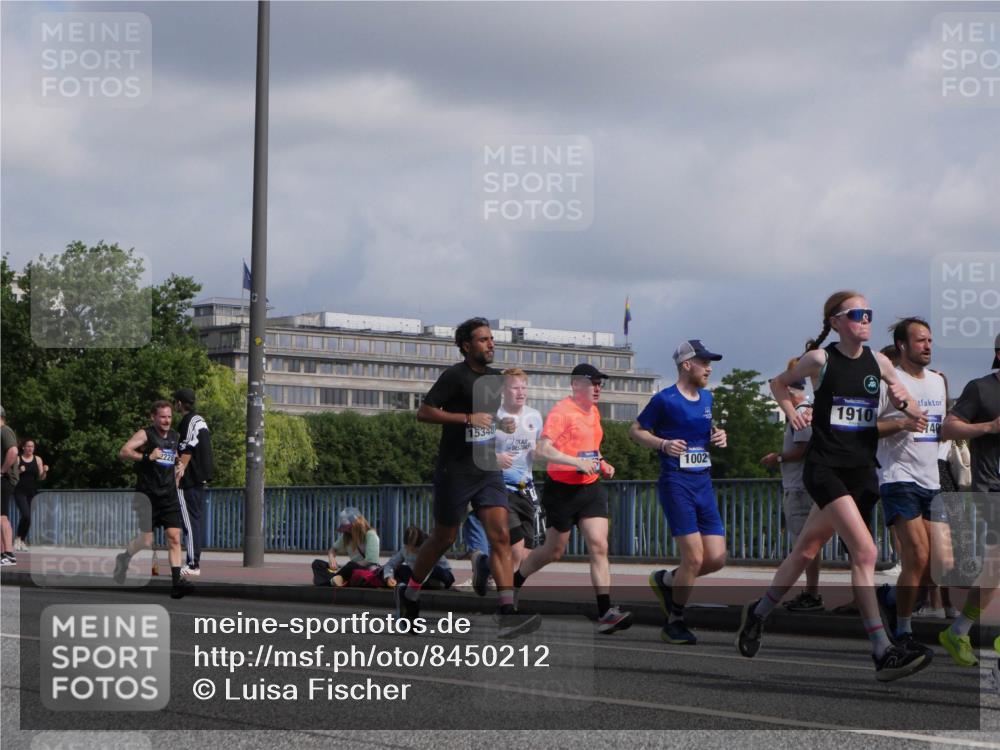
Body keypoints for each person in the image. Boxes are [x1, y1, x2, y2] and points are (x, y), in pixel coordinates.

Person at [735, 290, 930, 681]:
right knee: (865, 551)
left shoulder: (878, 361)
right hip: (825, 469)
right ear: (836, 322)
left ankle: (757, 614)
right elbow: (777, 383)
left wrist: (907, 403)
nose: (865, 320)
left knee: (805, 550)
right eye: (857, 314)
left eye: (869, 313)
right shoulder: (821, 359)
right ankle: (882, 650)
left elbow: (902, 392)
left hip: (860, 469)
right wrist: (792, 412)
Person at [397, 317, 539, 638]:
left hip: (486, 467)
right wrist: (466, 418)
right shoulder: (454, 376)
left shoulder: (493, 379)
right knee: (444, 538)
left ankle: (507, 611)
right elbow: (425, 412)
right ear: (466, 346)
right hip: (455, 470)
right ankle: (409, 593)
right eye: (483, 339)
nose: (491, 344)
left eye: (491, 339)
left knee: (500, 537)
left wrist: (501, 425)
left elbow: (491, 417)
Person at [512, 363, 633, 634]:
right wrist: (575, 462)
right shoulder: (561, 412)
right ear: (576, 385)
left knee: (599, 544)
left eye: (600, 383)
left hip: (590, 489)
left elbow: (592, 448)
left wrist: (603, 462)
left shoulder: (594, 412)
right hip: (562, 491)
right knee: (553, 551)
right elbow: (543, 449)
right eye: (593, 383)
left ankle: (606, 613)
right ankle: (515, 581)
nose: (598, 388)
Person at [630, 340, 728, 644]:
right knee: (695, 558)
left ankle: (667, 580)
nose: (709, 368)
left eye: (711, 363)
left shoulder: (708, 398)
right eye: (704, 362)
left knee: (717, 558)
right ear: (687, 365)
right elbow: (635, 430)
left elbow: (702, 431)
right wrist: (662, 444)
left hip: (703, 483)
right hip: (677, 484)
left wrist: (718, 435)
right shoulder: (665, 400)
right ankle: (674, 622)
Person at [872, 318, 948, 660]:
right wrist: (902, 422)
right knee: (916, 555)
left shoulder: (937, 382)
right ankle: (903, 632)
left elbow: (939, 430)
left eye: (930, 340)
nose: (928, 346)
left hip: (931, 479)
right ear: (902, 345)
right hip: (898, 477)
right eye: (920, 340)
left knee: (938, 567)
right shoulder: (891, 382)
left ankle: (889, 600)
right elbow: (867, 428)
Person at [937, 332, 1000, 668]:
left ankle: (959, 630)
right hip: (991, 489)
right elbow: (948, 429)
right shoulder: (981, 388)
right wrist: (988, 427)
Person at [471, 368, 544, 595]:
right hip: (500, 488)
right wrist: (495, 458)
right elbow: (473, 453)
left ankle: (485, 566)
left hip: (527, 489)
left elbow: (540, 450)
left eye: (523, 387)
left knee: (527, 553)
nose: (520, 392)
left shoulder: (535, 416)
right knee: (515, 545)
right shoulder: (492, 416)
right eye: (515, 387)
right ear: (503, 390)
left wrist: (538, 452)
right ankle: (507, 597)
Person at [760, 360, 823, 612]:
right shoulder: (805, 411)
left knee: (804, 544)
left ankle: (809, 593)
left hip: (800, 487)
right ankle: (810, 591)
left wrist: (776, 458)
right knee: (807, 543)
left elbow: (802, 449)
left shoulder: (803, 415)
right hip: (803, 485)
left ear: (789, 391)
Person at [113, 400, 193, 598]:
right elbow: (123, 452)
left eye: (169, 416)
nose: (166, 420)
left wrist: (179, 466)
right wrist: (147, 456)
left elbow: (173, 457)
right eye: (162, 416)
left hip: (169, 496)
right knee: (146, 540)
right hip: (147, 496)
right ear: (153, 417)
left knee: (174, 537)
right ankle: (124, 558)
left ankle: (176, 584)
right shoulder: (146, 434)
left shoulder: (174, 436)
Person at [174, 388, 214, 577]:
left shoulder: (189, 421)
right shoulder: (200, 420)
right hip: (199, 479)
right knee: (195, 521)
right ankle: (193, 561)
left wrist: (179, 471)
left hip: (188, 480)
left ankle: (192, 564)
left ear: (180, 403)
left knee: (189, 523)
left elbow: (187, 447)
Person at [312, 507, 381, 587]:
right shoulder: (347, 536)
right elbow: (333, 549)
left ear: (357, 524)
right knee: (317, 563)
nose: (347, 530)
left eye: (348, 527)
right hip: (349, 569)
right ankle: (334, 580)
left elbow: (370, 560)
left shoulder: (370, 534)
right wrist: (332, 559)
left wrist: (347, 567)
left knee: (351, 565)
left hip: (363, 569)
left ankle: (327, 580)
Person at [384, 526, 454, 590]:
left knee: (435, 570)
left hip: (440, 574)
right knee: (400, 569)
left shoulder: (429, 548)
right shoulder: (405, 549)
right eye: (408, 548)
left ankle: (433, 584)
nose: (410, 551)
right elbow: (391, 564)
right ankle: (428, 584)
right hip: (417, 576)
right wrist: (389, 577)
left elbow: (428, 570)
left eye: (414, 549)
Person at [13, 438, 47, 551]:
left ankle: (22, 541)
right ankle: (17, 538)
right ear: (23, 447)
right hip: (20, 491)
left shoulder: (37, 459)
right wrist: (19, 471)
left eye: (32, 446)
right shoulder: (18, 459)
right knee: (26, 515)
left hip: (32, 492)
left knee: (28, 518)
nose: (30, 448)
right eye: (28, 446)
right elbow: (11, 475)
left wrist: (45, 471)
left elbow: (41, 478)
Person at [0, 407, 18, 566]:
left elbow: (13, 451)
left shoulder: (4, 431)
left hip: (4, 479)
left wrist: (2, 471)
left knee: (2, 516)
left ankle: (9, 553)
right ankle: (2, 553)